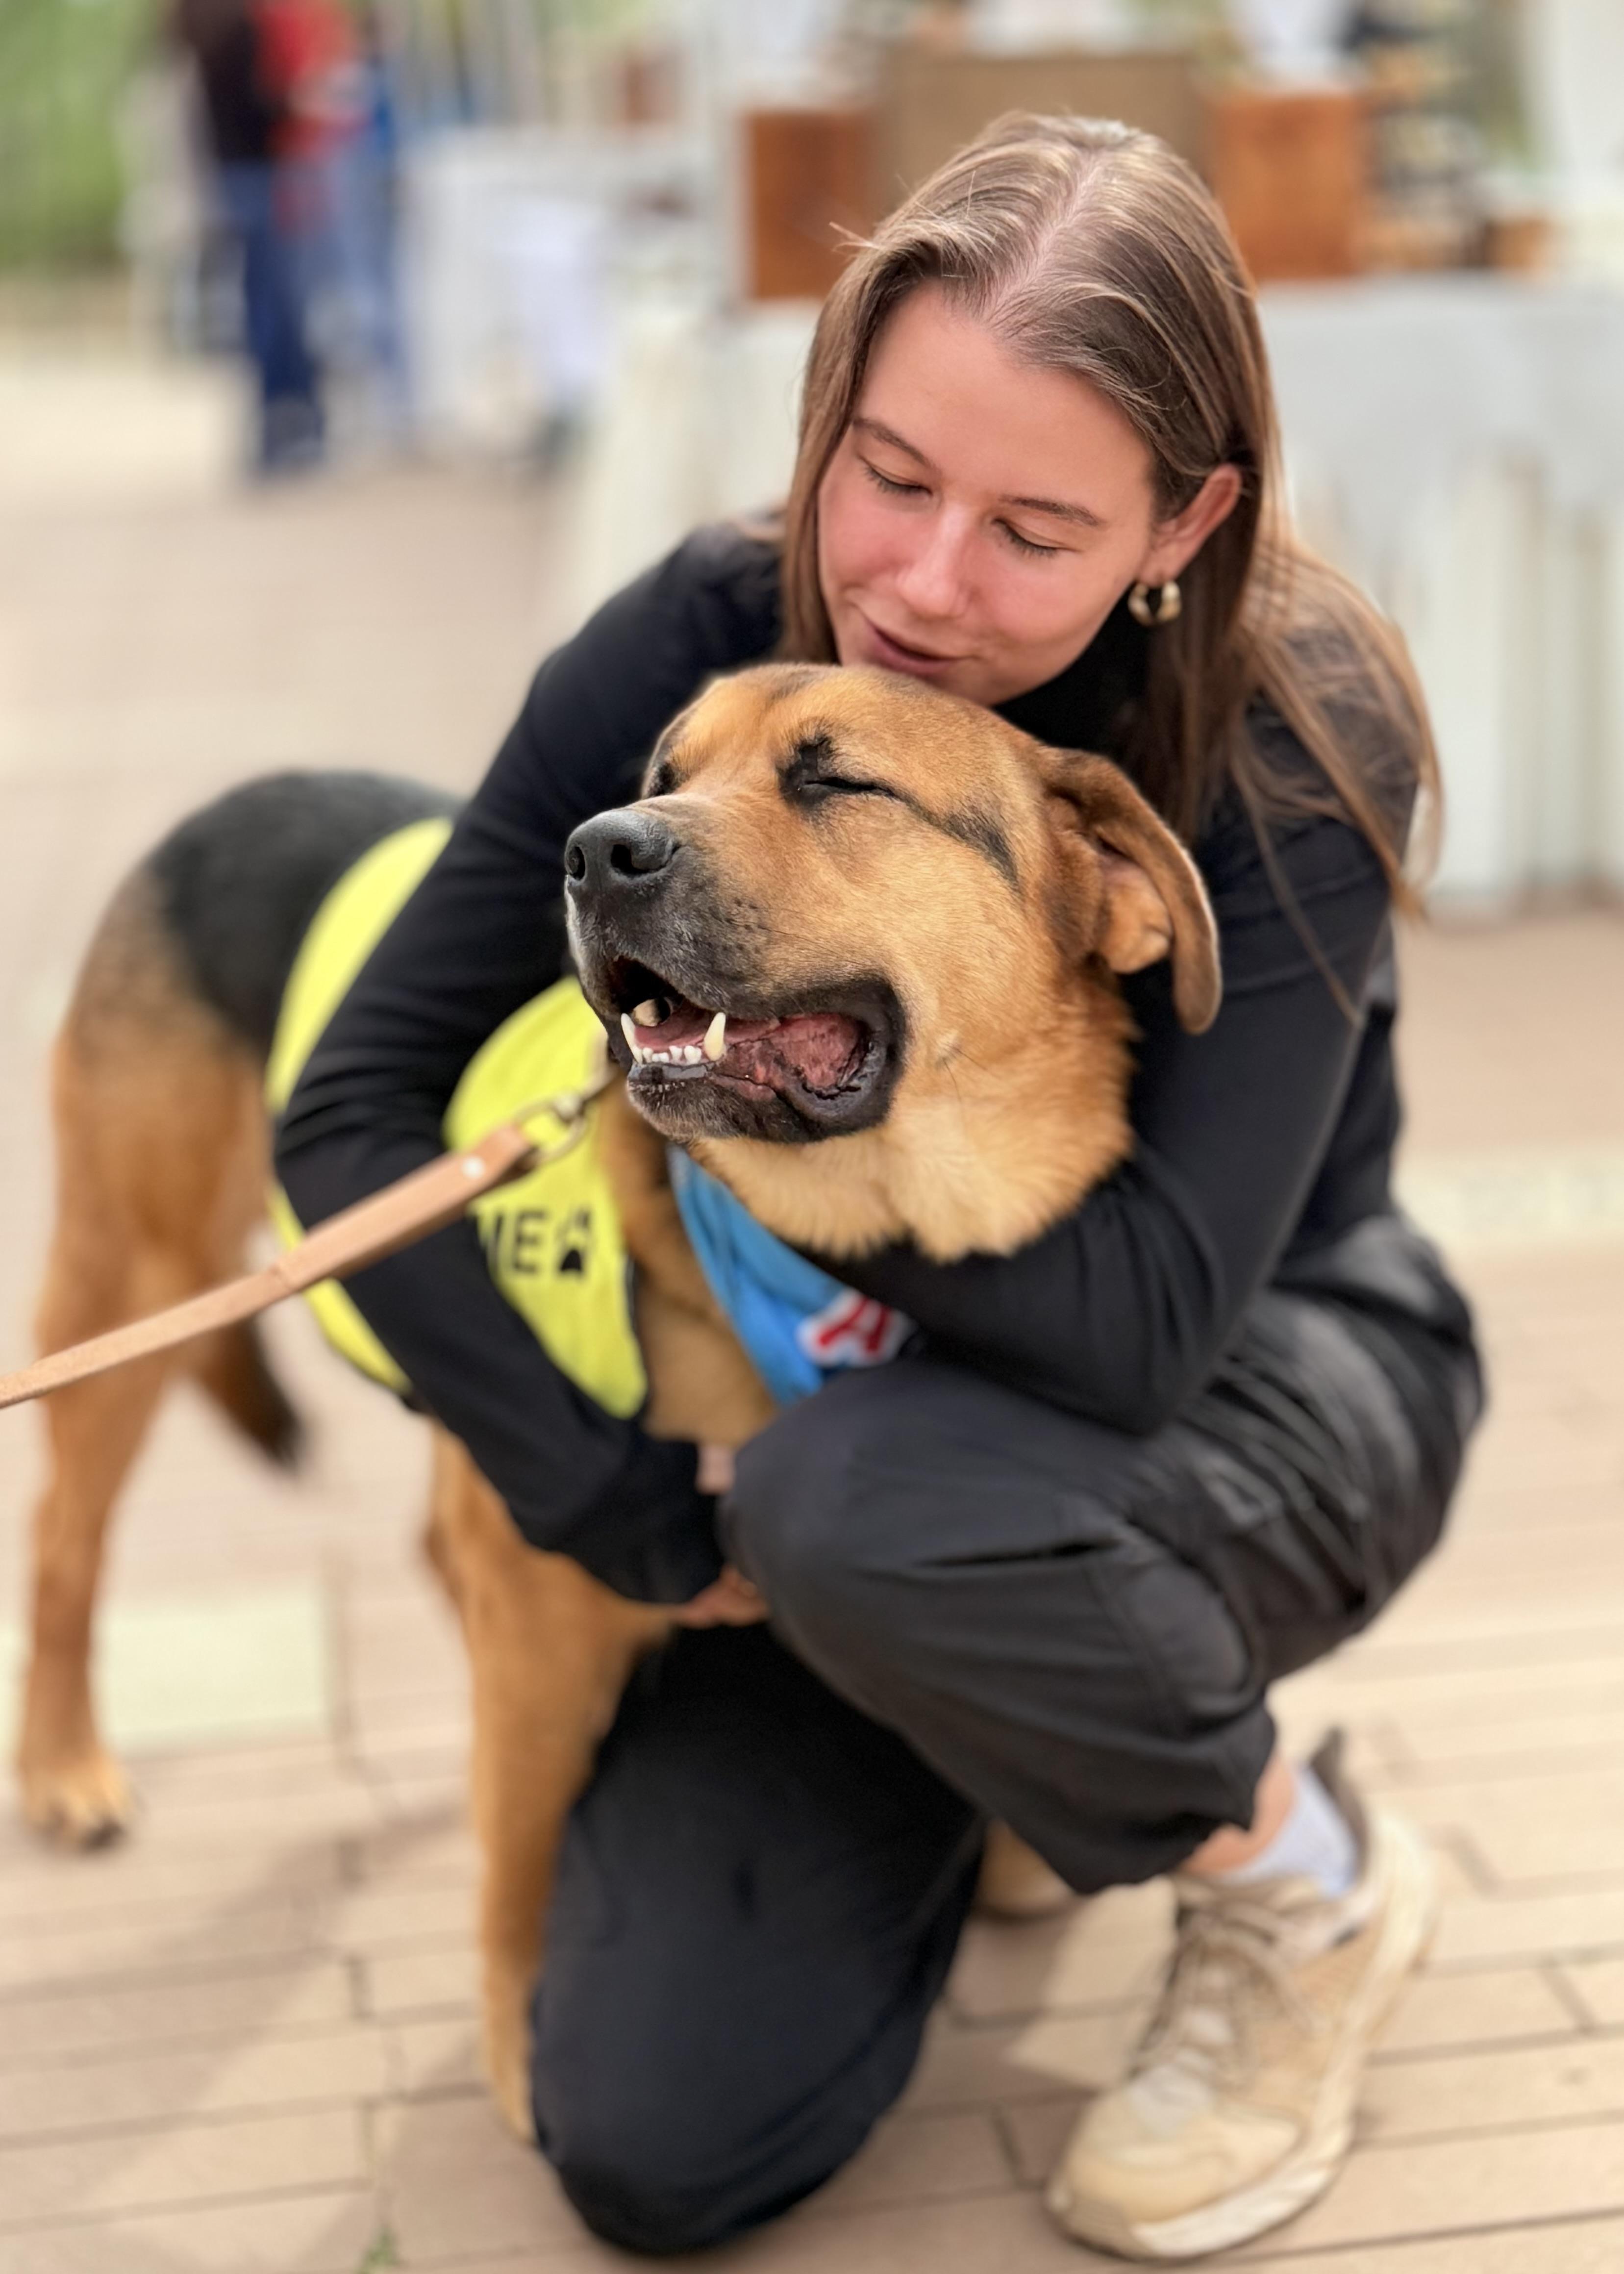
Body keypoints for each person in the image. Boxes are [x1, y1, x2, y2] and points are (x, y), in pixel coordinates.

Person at [275, 116, 1483, 2262]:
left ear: (1177, 519)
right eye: (888, 476)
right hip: (811, 1450)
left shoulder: (1282, 729)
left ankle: (1287, 1875)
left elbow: (1134, 1327)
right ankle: (980, 1717)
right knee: (651, 2138)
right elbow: (351, 1107)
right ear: (819, 419)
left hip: (1250, 1382)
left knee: (867, 1508)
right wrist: (610, 1492)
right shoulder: (696, 655)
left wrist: (765, 1123)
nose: (922, 584)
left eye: (1031, 525)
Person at [172, 0, 325, 474]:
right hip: (262, 176)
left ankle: (274, 427)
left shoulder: (193, 29)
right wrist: (298, 103)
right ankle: (292, 423)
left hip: (230, 182)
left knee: (258, 304)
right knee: (277, 304)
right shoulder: (241, 26)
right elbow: (261, 109)